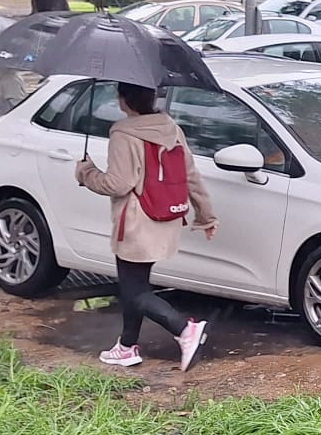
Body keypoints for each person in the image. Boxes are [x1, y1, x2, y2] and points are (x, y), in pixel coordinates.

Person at [75, 83, 218, 370]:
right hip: (164, 218)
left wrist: (86, 173)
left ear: (123, 100)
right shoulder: (170, 127)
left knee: (134, 291)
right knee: (136, 286)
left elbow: (118, 184)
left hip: (136, 223)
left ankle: (184, 329)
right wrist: (206, 215)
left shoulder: (123, 134)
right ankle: (127, 346)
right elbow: (190, 175)